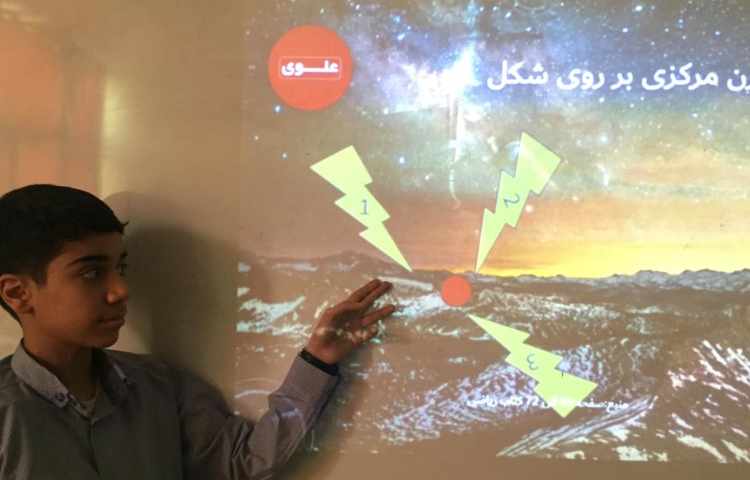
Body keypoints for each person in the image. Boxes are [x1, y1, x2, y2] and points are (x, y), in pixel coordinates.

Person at [0, 184, 395, 479]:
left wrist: (318, 360)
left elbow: (245, 461)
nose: (121, 290)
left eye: (120, 267)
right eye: (90, 272)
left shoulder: (158, 386)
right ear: (18, 293)